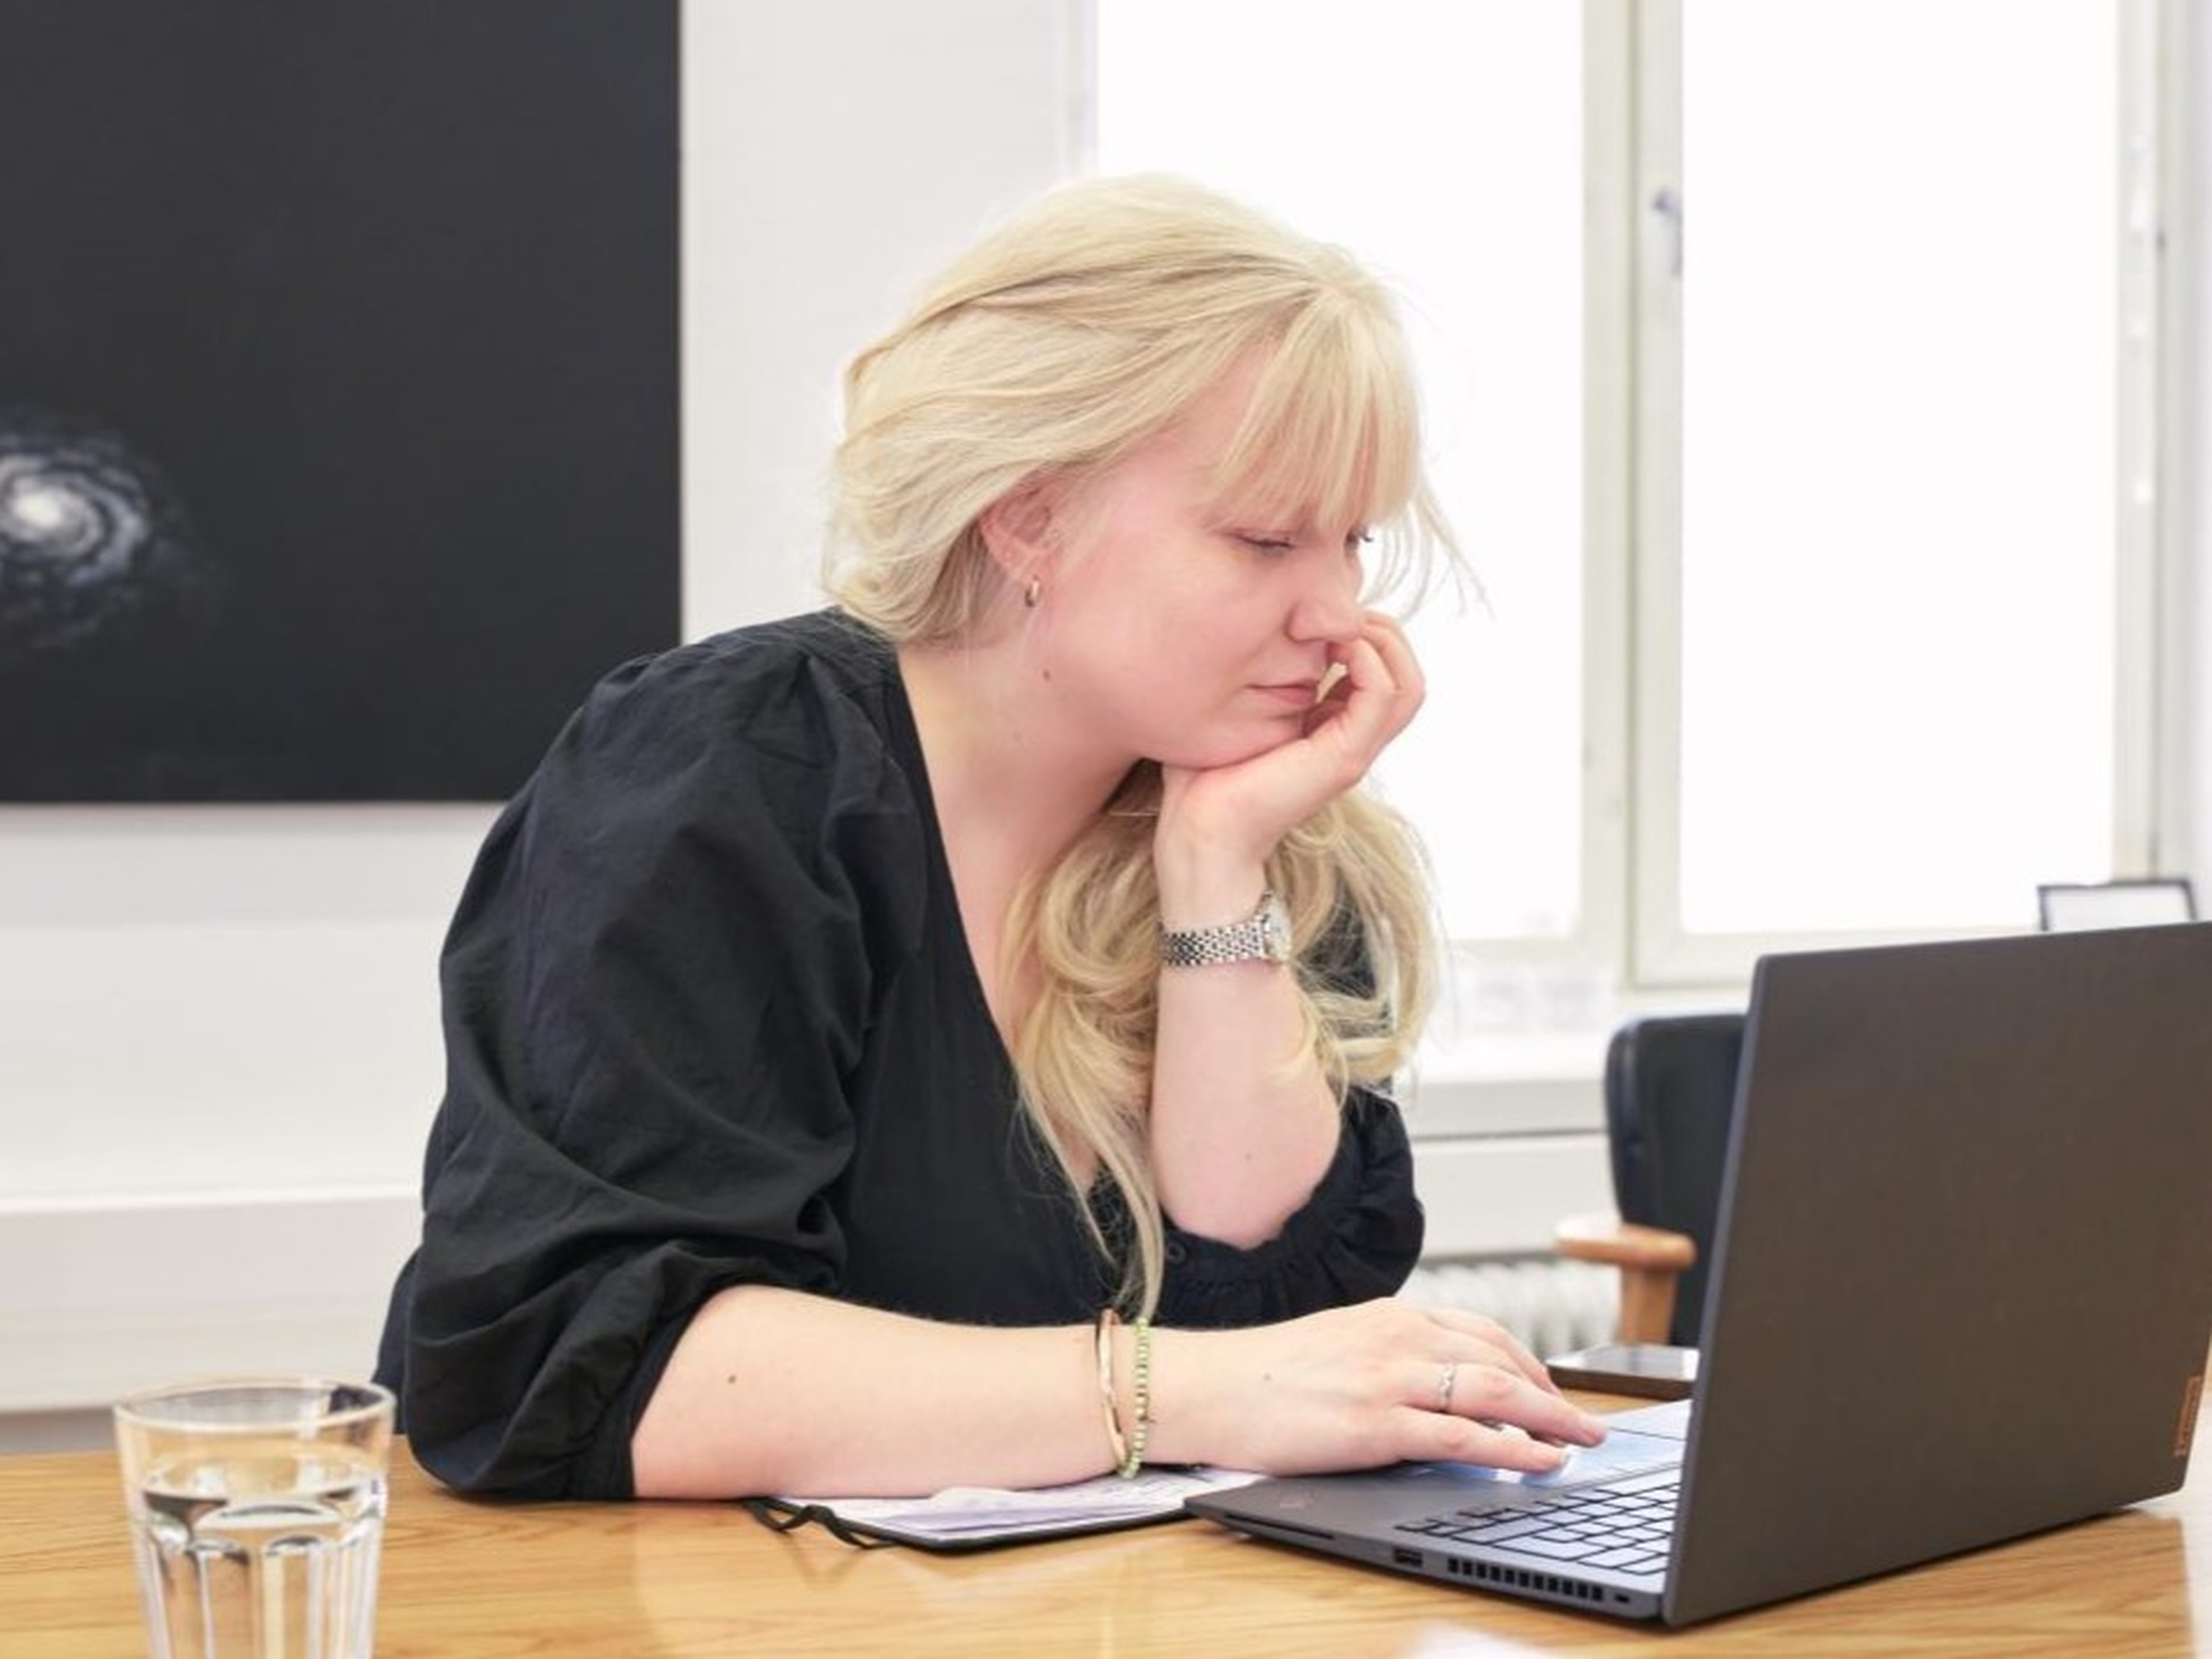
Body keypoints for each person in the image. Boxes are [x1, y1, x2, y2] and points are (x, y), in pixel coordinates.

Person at [374, 173, 1608, 1502]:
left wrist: (1215, 869)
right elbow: (599, 1365)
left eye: (1351, 541)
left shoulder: (1274, 834)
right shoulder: (726, 772)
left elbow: (1271, 1322)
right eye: (1265, 539)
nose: (1336, 613)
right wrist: (1178, 1392)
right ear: (1028, 519)